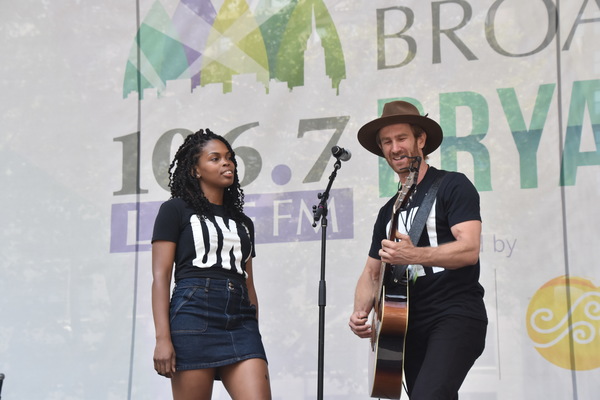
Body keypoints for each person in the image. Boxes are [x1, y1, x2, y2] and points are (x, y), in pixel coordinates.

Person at [348, 101, 487, 399]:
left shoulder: (453, 185)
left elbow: (469, 249)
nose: (395, 148)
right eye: (387, 142)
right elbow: (372, 273)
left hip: (455, 313)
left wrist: (416, 255)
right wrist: (361, 311)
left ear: (420, 140)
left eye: (401, 138)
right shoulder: (388, 211)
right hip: (403, 326)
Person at [151, 128, 272, 400]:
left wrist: (254, 327)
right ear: (195, 170)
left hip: (240, 319)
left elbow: (247, 281)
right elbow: (161, 277)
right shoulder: (174, 210)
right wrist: (162, 339)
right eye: (215, 158)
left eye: (229, 157)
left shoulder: (243, 222)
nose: (226, 163)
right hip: (193, 314)